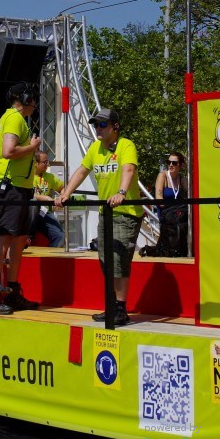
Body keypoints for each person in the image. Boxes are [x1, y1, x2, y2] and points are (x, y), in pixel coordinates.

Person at [54, 108, 141, 327]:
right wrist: (66, 193)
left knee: (118, 261)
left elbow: (128, 170)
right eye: (96, 125)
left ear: (115, 127)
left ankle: (121, 309)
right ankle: (112, 306)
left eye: (102, 125)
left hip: (125, 213)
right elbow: (81, 172)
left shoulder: (126, 145)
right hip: (107, 212)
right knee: (106, 262)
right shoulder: (95, 148)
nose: (98, 129)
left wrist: (121, 193)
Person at [0, 83, 41, 311]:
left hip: (20, 186)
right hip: (9, 186)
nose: (36, 103)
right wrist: (33, 147)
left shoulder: (13, 118)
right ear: (26, 98)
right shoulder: (14, 119)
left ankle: (11, 291)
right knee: (4, 238)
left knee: (19, 239)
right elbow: (8, 151)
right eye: (34, 98)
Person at [152, 152, 189, 257]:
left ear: (181, 165)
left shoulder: (181, 179)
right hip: (166, 214)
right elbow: (159, 198)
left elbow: (190, 195)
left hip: (178, 214)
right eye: (169, 162)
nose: (171, 165)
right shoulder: (162, 176)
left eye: (174, 163)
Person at [30, 151, 65, 247]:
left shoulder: (50, 177)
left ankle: (52, 259)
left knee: (60, 236)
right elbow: (27, 194)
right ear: (36, 163)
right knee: (33, 202)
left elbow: (62, 188)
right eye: (45, 162)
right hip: (27, 214)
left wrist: (61, 197)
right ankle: (28, 235)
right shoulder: (26, 176)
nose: (48, 164)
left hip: (44, 213)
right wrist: (45, 198)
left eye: (48, 162)